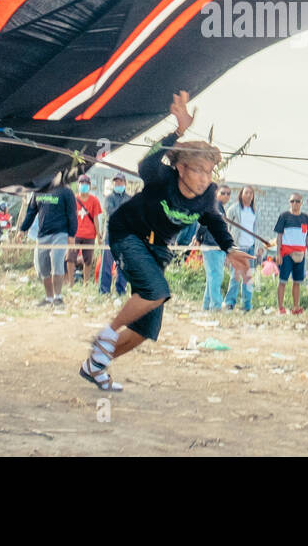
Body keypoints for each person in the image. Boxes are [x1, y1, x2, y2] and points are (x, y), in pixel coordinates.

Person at [81, 91, 248, 391]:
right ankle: (108, 333)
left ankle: (95, 365)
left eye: (208, 172)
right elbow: (146, 161)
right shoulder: (162, 179)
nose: (203, 179)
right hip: (128, 233)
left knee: (147, 327)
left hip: (156, 249)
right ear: (181, 168)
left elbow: (213, 220)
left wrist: (231, 248)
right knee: (156, 290)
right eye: (197, 170)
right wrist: (178, 130)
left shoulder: (207, 195)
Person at [22, 175, 77, 306]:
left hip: (60, 234)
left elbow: (72, 215)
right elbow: (31, 212)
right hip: (42, 235)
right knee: (43, 268)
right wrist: (22, 229)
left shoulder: (66, 192)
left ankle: (58, 297)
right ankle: (49, 298)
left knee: (57, 263)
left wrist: (71, 236)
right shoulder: (38, 192)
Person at [275, 194, 308, 314]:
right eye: (292, 201)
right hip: (286, 253)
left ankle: (295, 307)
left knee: (297, 281)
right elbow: (279, 235)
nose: (295, 203)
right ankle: (280, 307)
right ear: (289, 202)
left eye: (297, 201)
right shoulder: (284, 216)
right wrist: (278, 253)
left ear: (301, 203)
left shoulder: (305, 218)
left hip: (300, 255)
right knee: (283, 281)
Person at [224, 185, 260, 311]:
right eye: (246, 193)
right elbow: (226, 228)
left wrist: (258, 247)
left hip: (250, 248)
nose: (249, 195)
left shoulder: (254, 211)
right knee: (235, 276)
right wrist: (228, 247)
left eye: (251, 193)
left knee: (248, 277)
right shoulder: (234, 209)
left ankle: (246, 305)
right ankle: (229, 303)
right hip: (237, 248)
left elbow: (256, 230)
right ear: (241, 194)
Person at [200, 184, 233, 310]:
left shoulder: (220, 208)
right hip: (211, 245)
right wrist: (198, 238)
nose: (226, 196)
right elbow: (204, 223)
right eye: (223, 193)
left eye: (228, 194)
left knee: (212, 277)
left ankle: (207, 306)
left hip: (217, 246)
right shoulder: (214, 206)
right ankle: (216, 306)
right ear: (216, 194)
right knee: (216, 276)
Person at [99, 173, 131, 296]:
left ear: (125, 183)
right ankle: (104, 291)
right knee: (106, 264)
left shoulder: (130, 198)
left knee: (122, 265)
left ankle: (120, 291)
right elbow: (111, 214)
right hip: (110, 236)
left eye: (120, 182)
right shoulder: (108, 198)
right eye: (116, 182)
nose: (118, 184)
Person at [71, 174, 102, 285]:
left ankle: (86, 283)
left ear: (89, 185)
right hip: (75, 233)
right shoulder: (73, 199)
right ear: (78, 185)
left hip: (89, 235)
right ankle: (70, 283)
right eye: (82, 183)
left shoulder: (94, 200)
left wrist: (99, 235)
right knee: (70, 258)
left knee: (88, 260)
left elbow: (96, 218)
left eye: (86, 184)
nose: (84, 185)